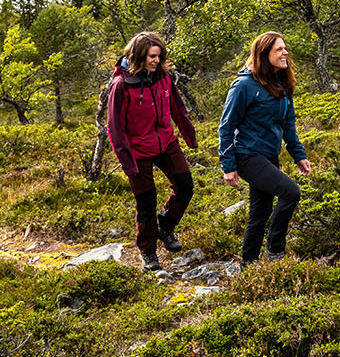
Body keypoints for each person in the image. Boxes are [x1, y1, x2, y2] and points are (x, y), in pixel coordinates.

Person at [106, 31, 198, 272]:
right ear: (138, 56)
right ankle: (147, 251)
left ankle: (165, 227)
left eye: (159, 56)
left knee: (185, 186)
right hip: (137, 150)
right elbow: (114, 127)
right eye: (152, 57)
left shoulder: (163, 76)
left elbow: (177, 107)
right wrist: (127, 162)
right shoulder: (121, 85)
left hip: (166, 142)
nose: (157, 61)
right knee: (146, 201)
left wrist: (189, 135)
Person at [219, 31, 313, 265]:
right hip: (248, 155)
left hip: (270, 155)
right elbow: (226, 127)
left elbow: (288, 123)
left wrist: (298, 155)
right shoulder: (243, 86)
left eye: (284, 48)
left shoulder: (282, 83)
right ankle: (275, 249)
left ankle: (248, 267)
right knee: (291, 192)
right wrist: (228, 166)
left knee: (259, 214)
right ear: (264, 54)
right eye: (279, 49)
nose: (285, 53)